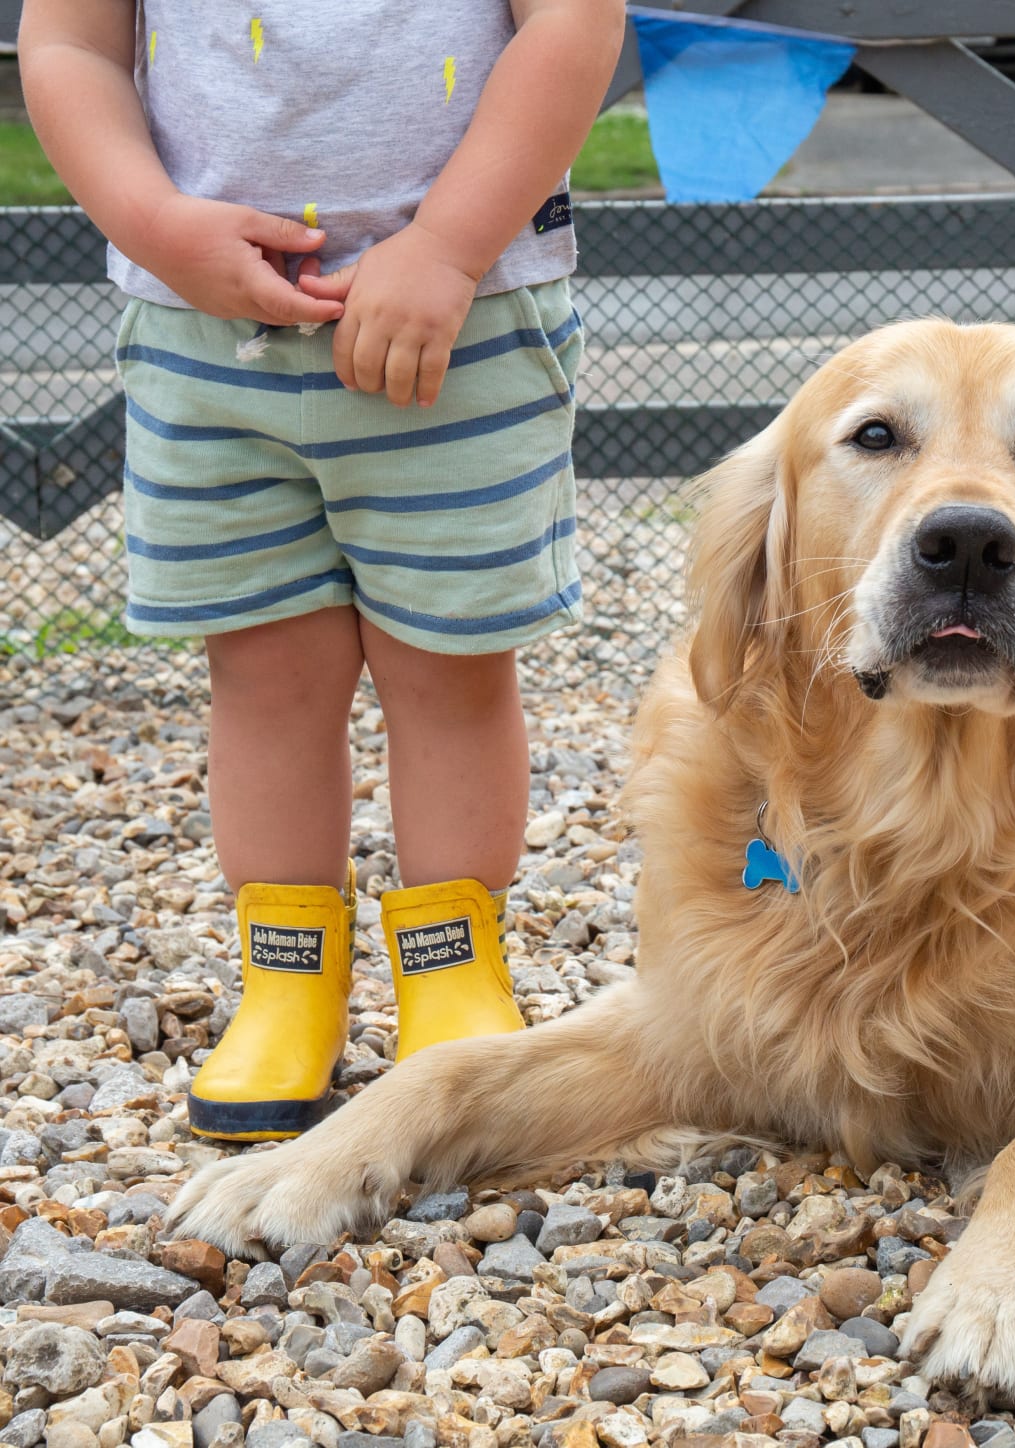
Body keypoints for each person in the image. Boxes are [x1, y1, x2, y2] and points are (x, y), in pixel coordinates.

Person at [19, 0, 627, 1140]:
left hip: (462, 322)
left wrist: (445, 244)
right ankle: (289, 977)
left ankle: (451, 969)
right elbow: (68, 47)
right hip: (204, 339)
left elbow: (576, 23)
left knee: (447, 674)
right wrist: (153, 221)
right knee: (263, 681)